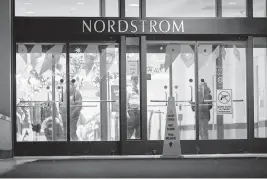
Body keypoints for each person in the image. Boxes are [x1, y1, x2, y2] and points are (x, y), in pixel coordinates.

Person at [60, 77, 83, 141]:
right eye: (67, 86)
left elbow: (79, 105)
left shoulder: (77, 93)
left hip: (73, 116)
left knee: (73, 131)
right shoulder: (64, 93)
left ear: (72, 86)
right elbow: (60, 102)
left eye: (70, 86)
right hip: (64, 115)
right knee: (65, 132)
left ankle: (75, 144)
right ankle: (64, 145)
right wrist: (60, 111)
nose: (68, 87)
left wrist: (74, 113)